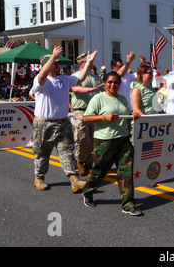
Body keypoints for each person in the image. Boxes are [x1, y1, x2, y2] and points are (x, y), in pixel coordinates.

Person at [32, 46, 97, 192]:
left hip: (62, 123)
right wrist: (53, 56)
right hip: (43, 124)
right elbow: (42, 76)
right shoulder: (40, 80)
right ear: (46, 65)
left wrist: (89, 63)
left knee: (67, 151)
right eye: (55, 63)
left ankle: (74, 180)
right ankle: (39, 177)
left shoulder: (64, 79)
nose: (58, 65)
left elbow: (81, 77)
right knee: (42, 153)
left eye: (57, 62)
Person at [82, 71, 142, 216]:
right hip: (105, 141)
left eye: (116, 82)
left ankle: (128, 204)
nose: (112, 85)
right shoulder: (98, 98)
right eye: (109, 82)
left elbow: (126, 117)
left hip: (123, 140)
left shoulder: (122, 98)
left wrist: (133, 116)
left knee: (126, 171)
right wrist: (104, 117)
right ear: (105, 82)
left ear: (119, 84)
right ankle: (88, 191)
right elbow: (86, 118)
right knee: (100, 171)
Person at [70, 53, 105, 175]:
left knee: (94, 139)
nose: (92, 64)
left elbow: (104, 90)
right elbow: (75, 89)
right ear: (81, 64)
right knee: (82, 138)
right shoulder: (75, 76)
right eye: (88, 62)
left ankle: (89, 163)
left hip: (95, 112)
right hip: (81, 111)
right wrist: (93, 90)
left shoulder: (95, 77)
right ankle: (80, 161)